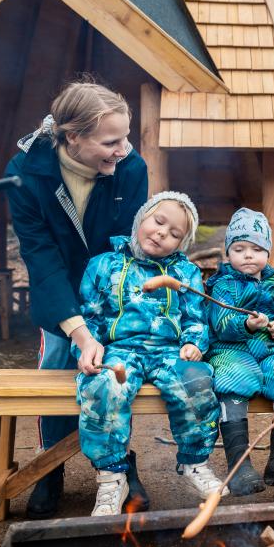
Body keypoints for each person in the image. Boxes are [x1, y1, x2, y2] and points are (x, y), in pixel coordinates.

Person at [5, 79, 149, 518]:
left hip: (113, 289)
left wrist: (110, 318)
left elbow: (128, 244)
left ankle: (122, 466)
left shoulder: (132, 167)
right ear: (73, 137)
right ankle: (50, 469)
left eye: (126, 136)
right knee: (56, 369)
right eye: (111, 141)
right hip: (60, 286)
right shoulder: (25, 174)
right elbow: (41, 259)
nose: (124, 149)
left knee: (113, 377)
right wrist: (79, 332)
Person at [75, 191, 224, 515]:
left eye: (175, 234)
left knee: (196, 381)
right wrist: (88, 346)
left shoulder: (184, 272)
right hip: (119, 350)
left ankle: (194, 462)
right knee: (106, 386)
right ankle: (112, 475)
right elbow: (90, 316)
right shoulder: (104, 265)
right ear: (140, 218)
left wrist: (193, 343)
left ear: (182, 243)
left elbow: (195, 317)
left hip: (169, 351)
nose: (162, 234)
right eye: (158, 222)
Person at [206, 207, 274, 495]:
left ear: (267, 252)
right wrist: (247, 325)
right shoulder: (222, 285)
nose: (248, 255)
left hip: (271, 348)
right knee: (232, 378)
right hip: (232, 348)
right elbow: (219, 323)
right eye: (239, 249)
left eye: (256, 248)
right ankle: (239, 465)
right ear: (228, 253)